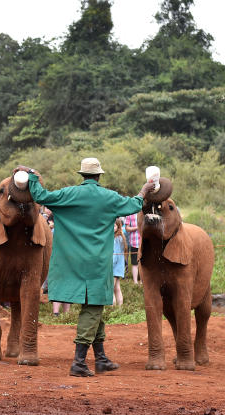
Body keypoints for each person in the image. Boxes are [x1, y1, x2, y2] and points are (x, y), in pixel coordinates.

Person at [15, 157, 154, 378]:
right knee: (94, 307)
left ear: (82, 175)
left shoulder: (68, 194)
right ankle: (78, 362)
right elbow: (134, 205)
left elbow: (40, 196)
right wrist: (144, 190)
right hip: (97, 263)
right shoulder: (108, 197)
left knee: (94, 308)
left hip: (71, 261)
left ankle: (101, 359)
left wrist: (31, 174)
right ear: (99, 176)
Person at [113, 218, 127, 306]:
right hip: (119, 268)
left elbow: (115, 255)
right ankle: (120, 308)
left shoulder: (116, 239)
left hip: (113, 268)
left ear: (118, 226)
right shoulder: (121, 237)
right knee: (117, 288)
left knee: (110, 289)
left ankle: (112, 307)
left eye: (114, 226)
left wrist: (108, 266)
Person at [123, 213, 141, 284]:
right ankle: (135, 282)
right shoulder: (130, 214)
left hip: (144, 243)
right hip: (134, 242)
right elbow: (127, 228)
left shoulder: (144, 212)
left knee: (143, 263)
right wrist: (137, 228)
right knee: (134, 263)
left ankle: (143, 281)